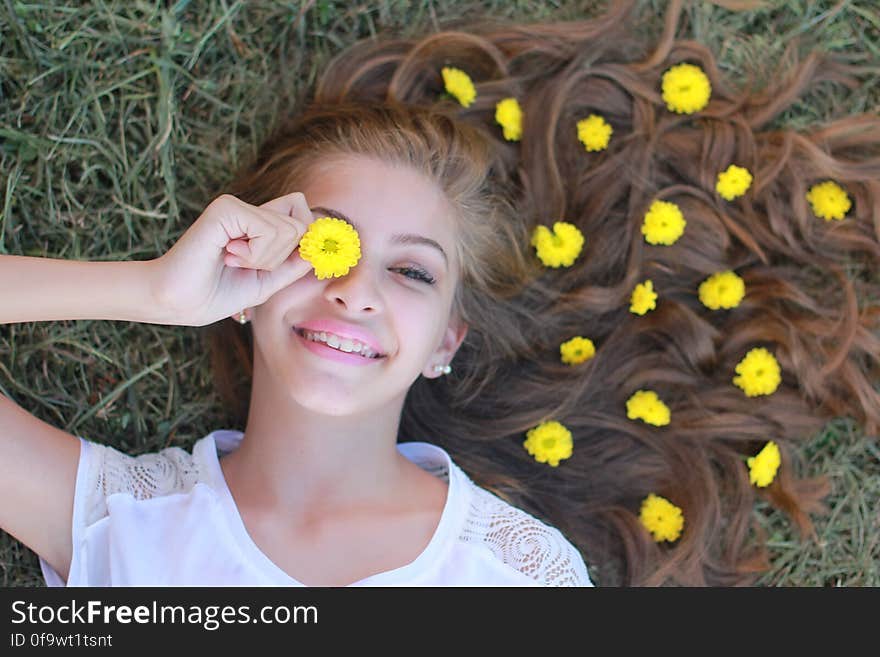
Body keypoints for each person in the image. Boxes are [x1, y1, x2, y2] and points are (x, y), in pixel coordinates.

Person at [2, 0, 879, 587]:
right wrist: (157, 290)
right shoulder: (117, 516)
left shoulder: (523, 572)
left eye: (412, 270)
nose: (354, 289)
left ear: (447, 342)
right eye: (323, 246)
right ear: (245, 282)